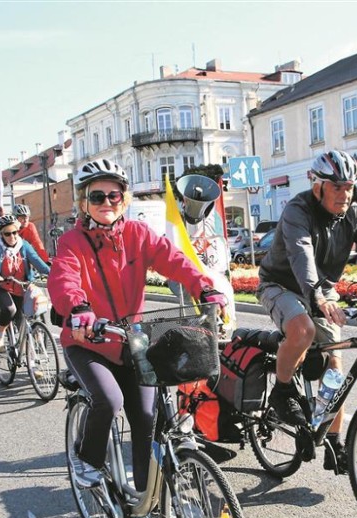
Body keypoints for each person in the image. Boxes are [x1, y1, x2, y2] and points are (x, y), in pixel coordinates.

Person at [48, 158, 227, 491]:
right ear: (84, 202)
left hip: (132, 341)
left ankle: (149, 491)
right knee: (109, 401)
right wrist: (79, 308)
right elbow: (64, 279)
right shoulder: (73, 242)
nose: (106, 203)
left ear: (124, 199)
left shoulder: (138, 234)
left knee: (146, 418)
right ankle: (86, 459)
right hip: (88, 343)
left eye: (113, 196)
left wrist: (205, 287)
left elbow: (175, 261)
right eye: (97, 196)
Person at [257, 150, 357, 472]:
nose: (344, 194)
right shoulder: (298, 209)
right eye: (337, 187)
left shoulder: (354, 213)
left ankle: (335, 444)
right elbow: (301, 253)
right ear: (318, 187)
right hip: (280, 284)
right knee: (303, 330)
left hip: (319, 289)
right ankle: (282, 393)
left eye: (349, 186)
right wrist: (317, 296)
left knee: (335, 369)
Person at [0, 214, 50, 352]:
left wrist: (53, 273)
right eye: (7, 234)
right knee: (10, 309)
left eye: (15, 232)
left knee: (27, 318)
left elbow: (38, 262)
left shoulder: (23, 245)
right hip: (0, 287)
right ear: (1, 234)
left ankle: (32, 364)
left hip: (21, 286)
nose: (12, 236)